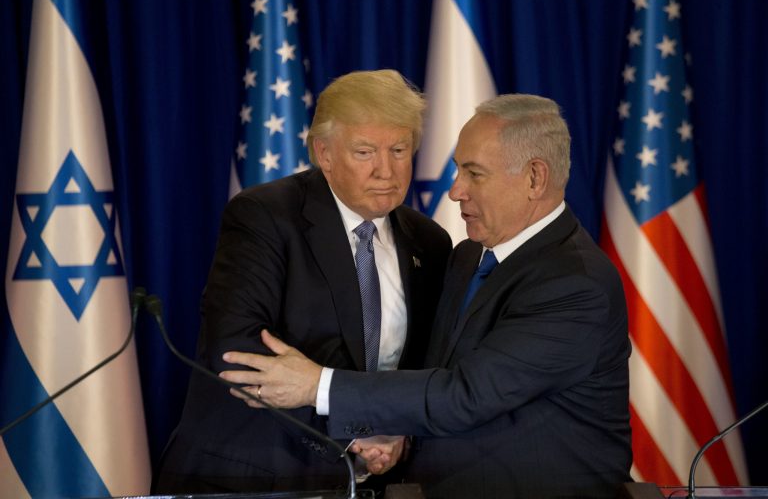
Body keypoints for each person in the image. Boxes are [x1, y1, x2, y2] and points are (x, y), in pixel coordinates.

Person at [221, 94, 633, 498]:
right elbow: (435, 374)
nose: (455, 191)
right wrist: (396, 432)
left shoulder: (575, 285)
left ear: (534, 178)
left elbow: (466, 395)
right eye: (458, 170)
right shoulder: (468, 257)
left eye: (474, 174)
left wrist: (318, 385)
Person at [152, 69, 452, 494]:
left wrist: (400, 431)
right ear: (324, 154)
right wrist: (357, 430)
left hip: (371, 478)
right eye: (365, 152)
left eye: (399, 150)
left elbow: (426, 369)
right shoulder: (265, 217)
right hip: (254, 475)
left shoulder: (430, 242)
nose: (385, 170)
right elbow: (237, 353)